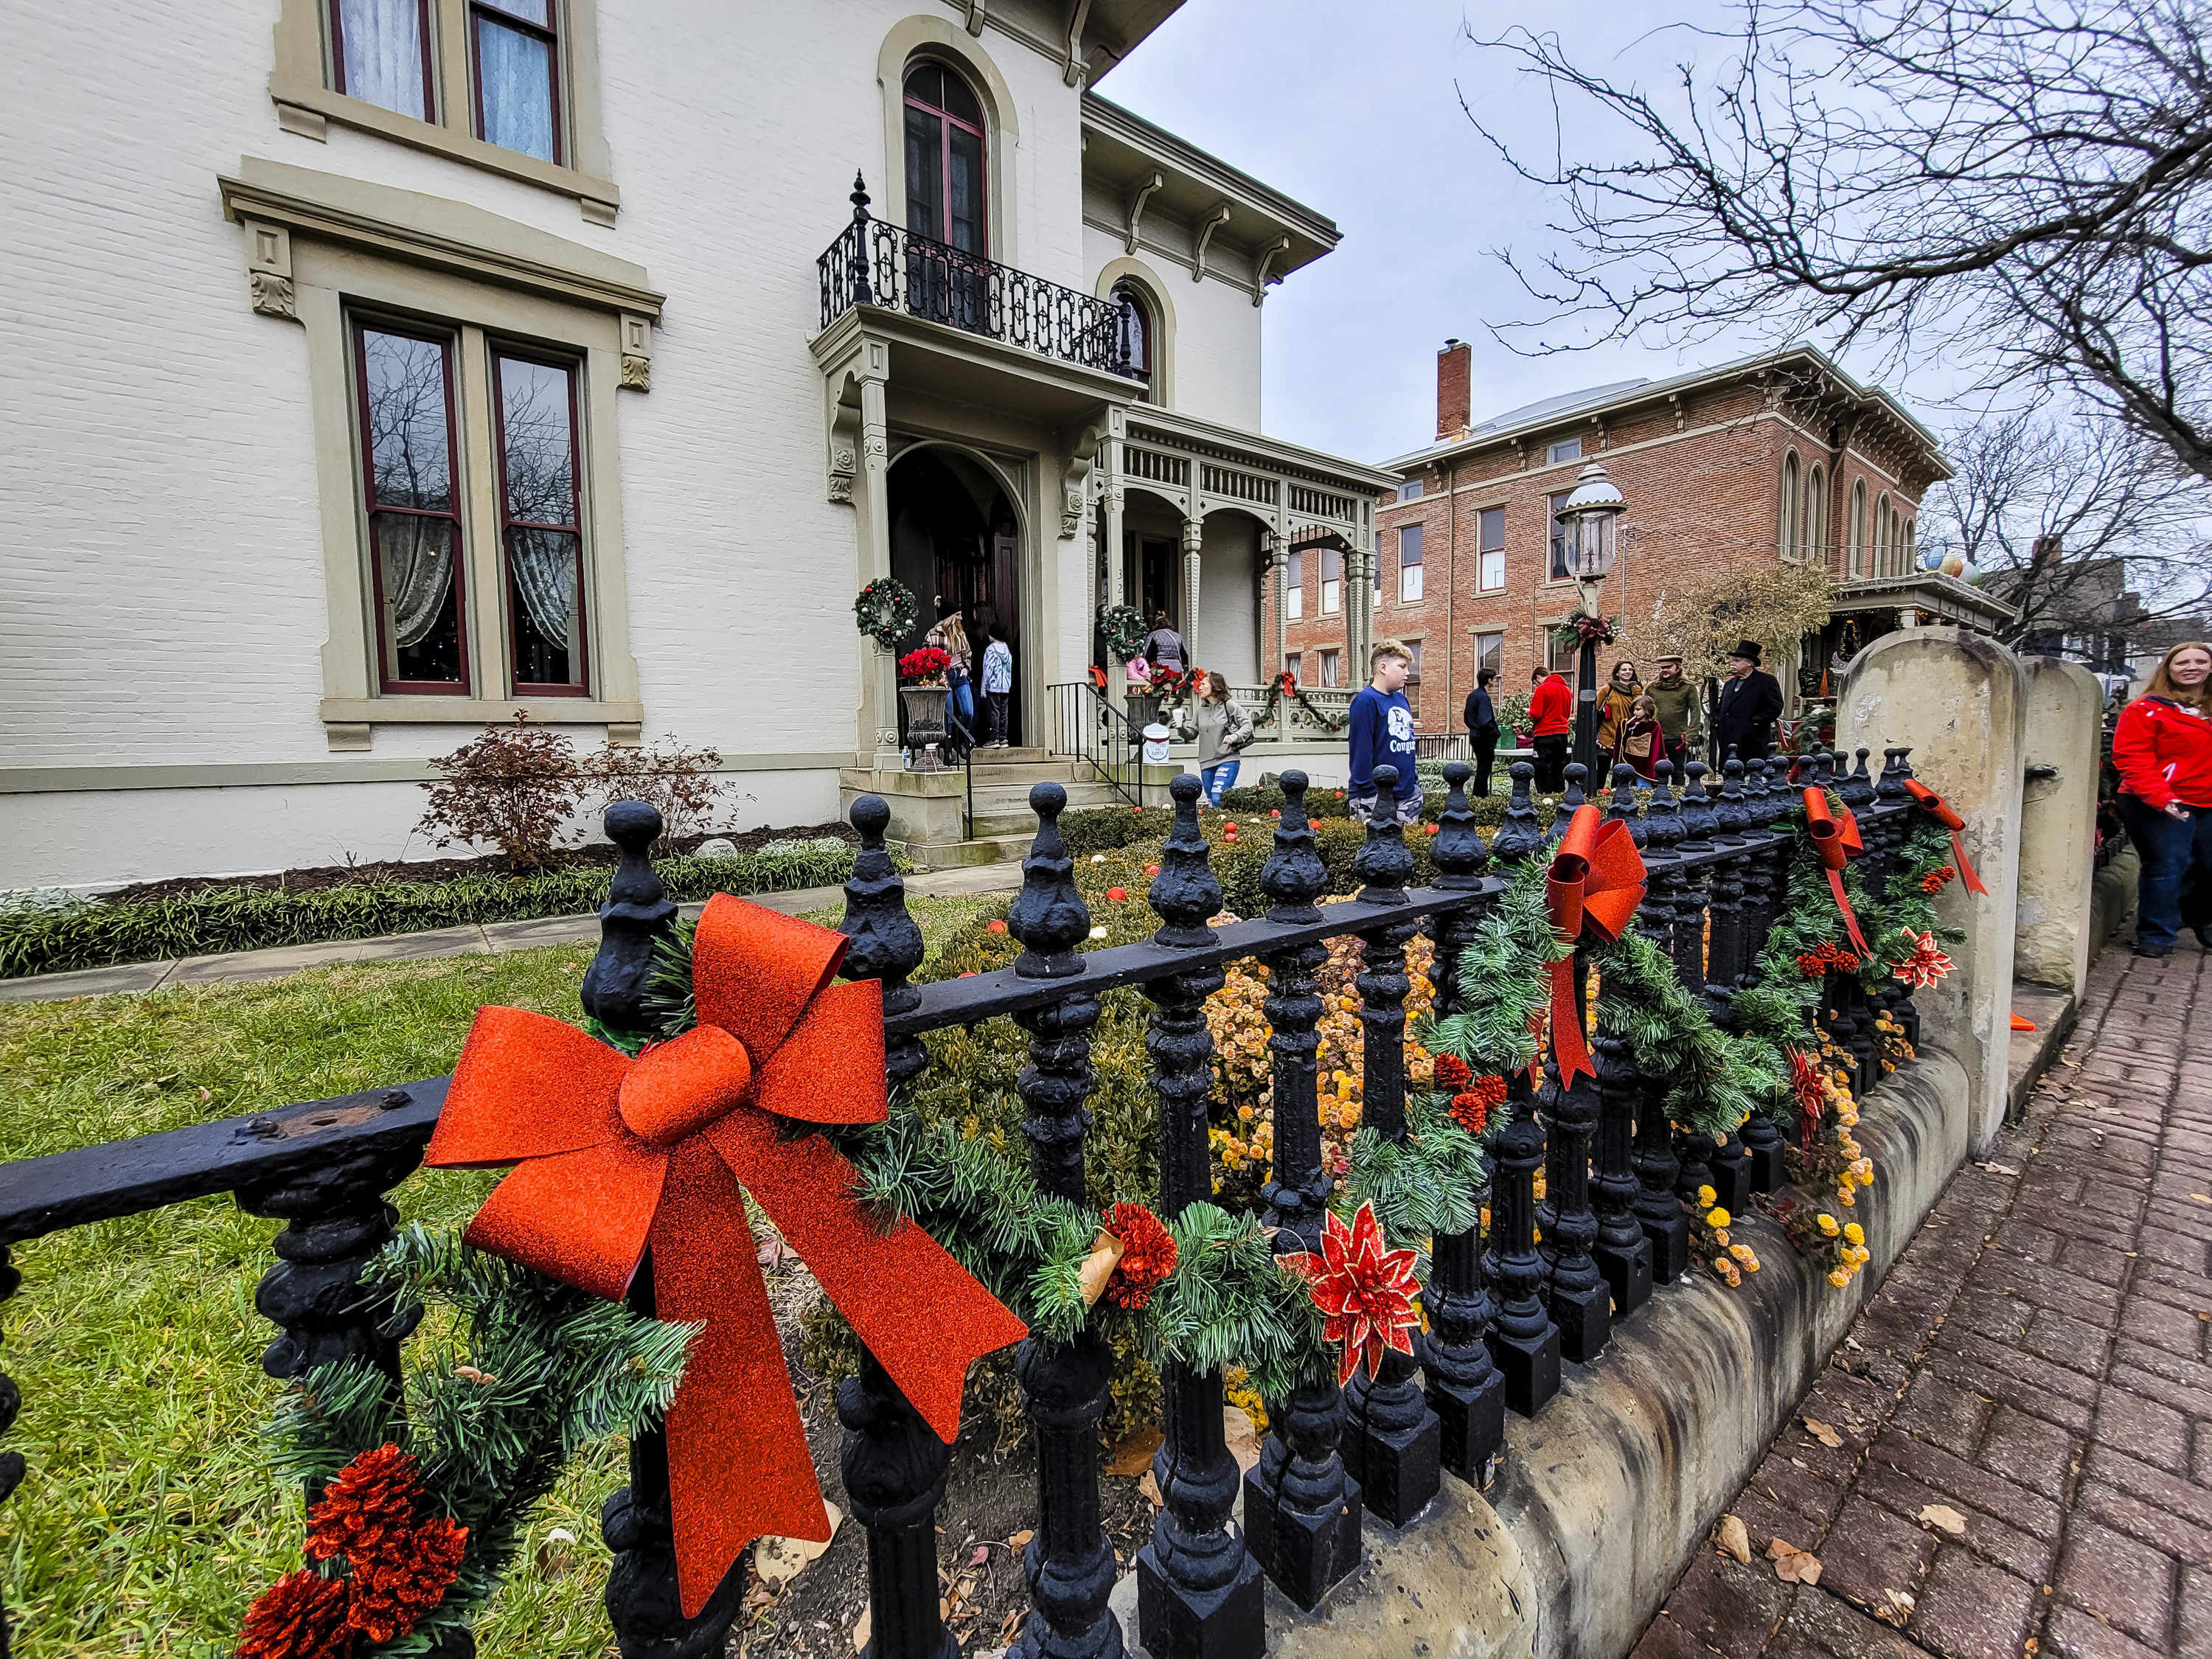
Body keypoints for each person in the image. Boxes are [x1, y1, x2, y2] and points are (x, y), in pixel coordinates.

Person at [2111, 640, 2212, 957]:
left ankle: (2197, 917)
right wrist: (2161, 797)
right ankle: (2156, 935)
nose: (2191, 667)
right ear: (2168, 669)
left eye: (2200, 661)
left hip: (2207, 799)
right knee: (2167, 864)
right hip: (2156, 799)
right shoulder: (2145, 709)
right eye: (2182, 663)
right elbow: (2131, 756)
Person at [1348, 639, 1422, 825]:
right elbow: (1361, 753)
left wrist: (1414, 784)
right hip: (1374, 798)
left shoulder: (1402, 699)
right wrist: (1370, 796)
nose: (1407, 673)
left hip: (1407, 794)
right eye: (1402, 667)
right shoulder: (1365, 701)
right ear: (1383, 668)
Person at [1711, 639, 1784, 762]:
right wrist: (1718, 722)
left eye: (1737, 661)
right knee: (1730, 775)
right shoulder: (1729, 684)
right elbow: (1720, 708)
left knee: (1752, 774)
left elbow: (1775, 706)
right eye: (1733, 660)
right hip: (1728, 740)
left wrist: (1755, 722)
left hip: (1752, 741)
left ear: (1749, 663)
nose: (1732, 663)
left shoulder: (1766, 681)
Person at [1193, 671, 1256, 805]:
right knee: (1212, 801)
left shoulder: (1229, 705)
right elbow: (1191, 733)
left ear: (1214, 686)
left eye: (1203, 684)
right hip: (1206, 762)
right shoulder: (1200, 711)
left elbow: (1247, 725)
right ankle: (1223, 822)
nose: (1199, 687)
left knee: (1218, 797)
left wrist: (1235, 736)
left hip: (1227, 758)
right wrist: (1180, 727)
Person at [926, 602, 974, 758]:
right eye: (958, 615)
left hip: (959, 676)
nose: (961, 618)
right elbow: (927, 656)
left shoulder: (961, 635)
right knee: (949, 714)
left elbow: (968, 653)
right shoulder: (933, 635)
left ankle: (961, 740)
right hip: (944, 678)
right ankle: (948, 747)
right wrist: (936, 674)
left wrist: (966, 667)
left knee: (968, 711)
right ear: (950, 618)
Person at [1646, 653, 1704, 777]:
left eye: (1668, 667)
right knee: (1655, 773)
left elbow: (1695, 711)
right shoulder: (1652, 688)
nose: (1665, 670)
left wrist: (1691, 736)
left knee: (1678, 773)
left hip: (1678, 738)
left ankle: (1678, 796)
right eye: (1662, 668)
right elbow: (1645, 711)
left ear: (1677, 668)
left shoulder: (1688, 687)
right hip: (1656, 737)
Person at [1528, 664, 1574, 791]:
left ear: (1538, 677)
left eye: (1535, 683)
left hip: (1544, 733)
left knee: (1543, 769)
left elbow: (1536, 713)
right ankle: (1559, 795)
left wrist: (1529, 713)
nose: (1536, 686)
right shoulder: (1567, 690)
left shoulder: (1542, 689)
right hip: (1562, 733)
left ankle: (1545, 798)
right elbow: (1567, 713)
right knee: (1559, 767)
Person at [1463, 667, 1500, 796]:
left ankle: (1479, 797)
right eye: (1494, 679)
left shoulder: (1472, 696)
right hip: (1484, 737)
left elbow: (1466, 719)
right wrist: (1496, 732)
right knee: (1484, 769)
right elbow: (1486, 721)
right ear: (1489, 680)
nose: (1495, 682)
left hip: (1474, 735)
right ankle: (1480, 797)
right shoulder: (1484, 698)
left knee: (1481, 768)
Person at [1594, 660, 1642, 755]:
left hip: (1628, 737)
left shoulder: (1637, 690)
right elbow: (1595, 711)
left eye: (1630, 670)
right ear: (1617, 673)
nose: (1628, 672)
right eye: (1624, 670)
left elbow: (1640, 708)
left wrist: (1636, 689)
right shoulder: (1607, 690)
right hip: (1607, 737)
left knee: (1626, 769)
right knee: (1603, 769)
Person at [1612, 693, 1663, 781]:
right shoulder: (1629, 725)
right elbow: (1622, 742)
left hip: (1645, 764)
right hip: (1628, 761)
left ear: (1647, 709)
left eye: (1638, 709)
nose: (1635, 712)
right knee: (1626, 786)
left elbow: (1656, 747)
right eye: (1634, 710)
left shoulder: (1654, 726)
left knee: (1643, 787)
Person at [980, 622, 1013, 747]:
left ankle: (993, 738)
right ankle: (1003, 738)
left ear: (992, 635)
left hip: (993, 686)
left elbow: (988, 670)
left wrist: (983, 688)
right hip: (1005, 687)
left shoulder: (991, 649)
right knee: (1004, 713)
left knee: (993, 713)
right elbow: (1009, 668)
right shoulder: (1006, 649)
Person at [1145, 610, 1186, 674]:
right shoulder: (1177, 636)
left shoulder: (1154, 635)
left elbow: (1149, 654)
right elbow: (1183, 655)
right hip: (1176, 669)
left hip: (1161, 668)